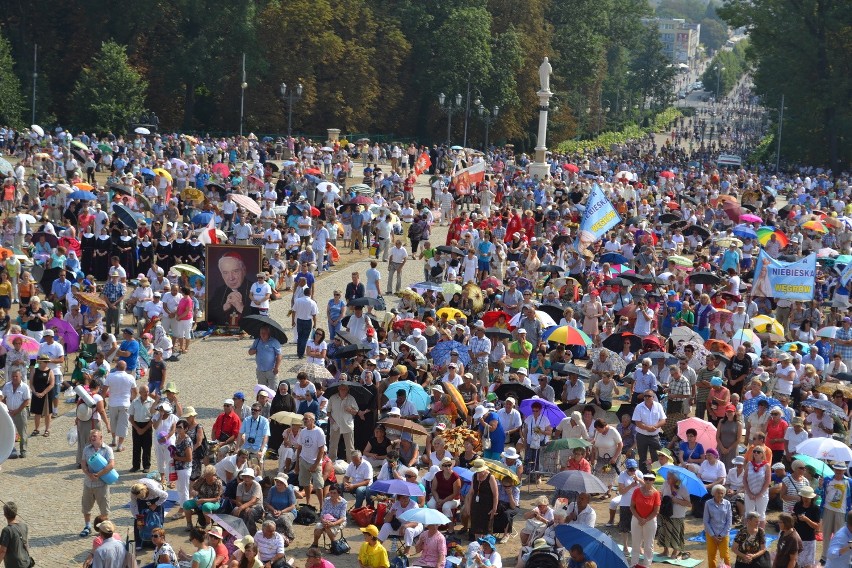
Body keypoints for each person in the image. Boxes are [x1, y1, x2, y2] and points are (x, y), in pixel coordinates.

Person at [80, 430, 115, 538]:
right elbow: (83, 463)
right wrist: (88, 474)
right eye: (91, 436)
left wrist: (99, 474)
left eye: (94, 436)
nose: (92, 438)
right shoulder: (86, 449)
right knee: (86, 507)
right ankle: (87, 526)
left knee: (104, 509)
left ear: (101, 437)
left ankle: (104, 530)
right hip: (88, 484)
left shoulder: (107, 449)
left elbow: (111, 465)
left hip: (101, 485)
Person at [208, 252, 251, 326]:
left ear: (244, 270)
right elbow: (209, 316)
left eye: (235, 271)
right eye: (225, 273)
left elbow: (260, 316)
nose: (231, 278)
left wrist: (241, 308)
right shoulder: (219, 291)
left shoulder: (254, 288)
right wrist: (224, 307)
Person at [103, 360, 137, 451]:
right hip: (125, 403)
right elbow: (135, 392)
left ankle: (114, 440)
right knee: (123, 424)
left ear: (116, 366)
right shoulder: (130, 377)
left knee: (113, 422)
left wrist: (103, 400)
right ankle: (120, 445)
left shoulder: (110, 376)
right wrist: (131, 399)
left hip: (113, 403)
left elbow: (104, 390)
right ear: (125, 368)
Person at [821, 462, 852, 562]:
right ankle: (824, 557)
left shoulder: (849, 482)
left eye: (841, 470)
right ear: (834, 470)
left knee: (839, 536)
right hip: (828, 509)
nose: (838, 472)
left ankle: (837, 557)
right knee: (826, 534)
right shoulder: (827, 479)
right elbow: (821, 493)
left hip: (841, 512)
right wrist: (820, 486)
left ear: (844, 471)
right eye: (837, 470)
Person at [295, 412, 327, 507]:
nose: (304, 421)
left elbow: (321, 450)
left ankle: (321, 505)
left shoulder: (319, 432)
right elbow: (299, 448)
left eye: (306, 419)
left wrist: (316, 464)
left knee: (318, 485)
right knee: (305, 483)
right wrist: (297, 463)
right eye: (304, 419)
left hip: (315, 462)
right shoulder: (303, 431)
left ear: (312, 420)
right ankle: (308, 502)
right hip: (304, 460)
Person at [658, 470, 691, 559]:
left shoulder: (682, 487)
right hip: (665, 513)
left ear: (675, 478)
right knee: (664, 532)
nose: (667, 479)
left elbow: (689, 503)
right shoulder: (665, 484)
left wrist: (676, 500)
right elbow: (660, 493)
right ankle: (665, 551)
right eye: (667, 477)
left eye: (669, 478)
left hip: (677, 515)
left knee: (675, 533)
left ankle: (675, 552)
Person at [630, 472, 660, 568]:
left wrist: (645, 520)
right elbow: (632, 507)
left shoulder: (656, 494)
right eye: (646, 478)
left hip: (650, 521)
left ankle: (647, 565)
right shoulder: (637, 491)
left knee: (648, 545)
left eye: (650, 479)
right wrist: (639, 518)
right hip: (636, 519)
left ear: (653, 481)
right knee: (635, 543)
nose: (648, 481)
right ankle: (633, 565)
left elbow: (656, 511)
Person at [632, 389, 666, 471]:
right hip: (642, 436)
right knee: (642, 458)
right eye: (645, 396)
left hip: (654, 436)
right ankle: (643, 476)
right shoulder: (639, 407)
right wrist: (648, 428)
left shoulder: (658, 406)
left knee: (656, 458)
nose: (647, 398)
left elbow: (663, 420)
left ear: (653, 397)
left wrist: (655, 426)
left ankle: (655, 476)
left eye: (649, 396)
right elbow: (637, 422)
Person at [466, 459, 498, 540]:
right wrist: (468, 507)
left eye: (480, 471)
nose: (479, 473)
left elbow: (495, 495)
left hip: (487, 506)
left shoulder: (491, 477)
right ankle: (478, 543)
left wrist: (494, 508)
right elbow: (471, 492)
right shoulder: (474, 476)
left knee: (485, 528)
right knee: (476, 528)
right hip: (475, 505)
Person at [2, 369, 30, 458]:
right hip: (8, 413)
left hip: (21, 412)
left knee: (22, 432)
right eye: (13, 376)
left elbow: (27, 400)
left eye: (16, 376)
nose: (14, 378)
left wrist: (17, 410)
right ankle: (11, 451)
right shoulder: (7, 386)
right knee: (9, 432)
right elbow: (3, 398)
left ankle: (23, 450)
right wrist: (6, 408)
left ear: (20, 376)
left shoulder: (25, 387)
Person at [311, 483, 347, 550]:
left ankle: (334, 544)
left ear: (339, 493)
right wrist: (323, 521)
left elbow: (342, 518)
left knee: (328, 528)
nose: (332, 495)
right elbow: (322, 514)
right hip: (326, 520)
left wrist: (333, 524)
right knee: (318, 528)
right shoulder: (327, 500)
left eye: (334, 493)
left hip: (338, 521)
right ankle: (315, 543)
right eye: (331, 493)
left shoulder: (343, 503)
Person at [704, 484, 733, 568]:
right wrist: (713, 535)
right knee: (711, 555)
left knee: (725, 555)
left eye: (722, 493)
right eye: (718, 493)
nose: (720, 495)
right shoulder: (708, 503)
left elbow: (729, 520)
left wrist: (722, 535)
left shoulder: (727, 503)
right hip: (711, 534)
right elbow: (706, 521)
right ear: (713, 493)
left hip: (723, 534)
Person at [743, 446, 771, 527]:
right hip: (749, 492)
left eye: (758, 452)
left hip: (762, 493)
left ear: (762, 454)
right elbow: (744, 479)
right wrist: (748, 492)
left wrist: (760, 494)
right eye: (754, 451)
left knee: (761, 514)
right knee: (748, 513)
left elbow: (767, 481)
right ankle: (747, 533)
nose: (755, 453)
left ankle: (760, 535)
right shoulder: (749, 464)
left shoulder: (766, 465)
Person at [794, 485, 821, 568]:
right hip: (797, 537)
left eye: (807, 497)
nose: (805, 499)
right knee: (796, 562)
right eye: (804, 497)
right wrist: (793, 518)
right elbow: (794, 518)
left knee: (807, 564)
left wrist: (807, 520)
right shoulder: (797, 505)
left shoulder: (815, 509)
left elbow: (817, 527)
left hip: (809, 539)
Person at [248, 324, 282, 390]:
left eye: (264, 333)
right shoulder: (257, 341)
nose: (263, 335)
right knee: (262, 391)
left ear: (268, 333)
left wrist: (276, 367)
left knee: (274, 390)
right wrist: (253, 351)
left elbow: (279, 355)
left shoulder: (274, 342)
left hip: (271, 370)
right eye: (261, 333)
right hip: (260, 370)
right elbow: (250, 352)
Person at [0, 502, 33, 568]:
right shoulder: (24, 526)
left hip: (14, 564)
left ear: (5, 514)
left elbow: (3, 551)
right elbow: (26, 545)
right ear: (16, 512)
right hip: (26, 562)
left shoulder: (7, 530)